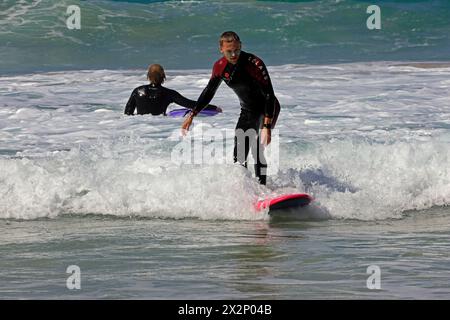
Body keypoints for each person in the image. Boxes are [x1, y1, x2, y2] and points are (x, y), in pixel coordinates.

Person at [181, 31, 280, 185]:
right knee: (240, 150)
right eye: (229, 51)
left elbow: (269, 94)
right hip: (247, 110)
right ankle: (245, 188)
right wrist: (192, 114)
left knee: (256, 147)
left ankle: (262, 186)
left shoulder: (255, 63)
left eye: (237, 50)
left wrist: (267, 125)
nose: (234, 54)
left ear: (241, 46)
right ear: (221, 49)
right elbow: (209, 92)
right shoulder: (220, 67)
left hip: (268, 107)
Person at [124, 64, 221, 116]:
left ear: (148, 76)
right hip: (159, 126)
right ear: (163, 77)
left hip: (141, 126)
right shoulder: (168, 93)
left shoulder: (137, 91)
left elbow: (127, 113)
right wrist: (213, 107)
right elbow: (190, 104)